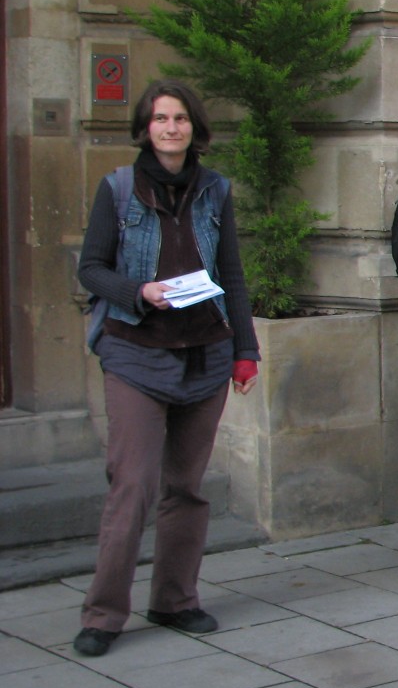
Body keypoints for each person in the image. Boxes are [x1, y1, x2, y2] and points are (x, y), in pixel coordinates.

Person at [73, 80, 261, 656]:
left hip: (205, 353)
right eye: (160, 119)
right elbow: (91, 269)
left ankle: (175, 600)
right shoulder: (119, 189)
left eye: (180, 118)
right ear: (145, 127)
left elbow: (231, 272)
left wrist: (245, 349)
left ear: (193, 128)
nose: (171, 128)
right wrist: (138, 291)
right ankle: (104, 614)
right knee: (132, 486)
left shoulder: (214, 190)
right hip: (136, 353)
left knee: (186, 487)